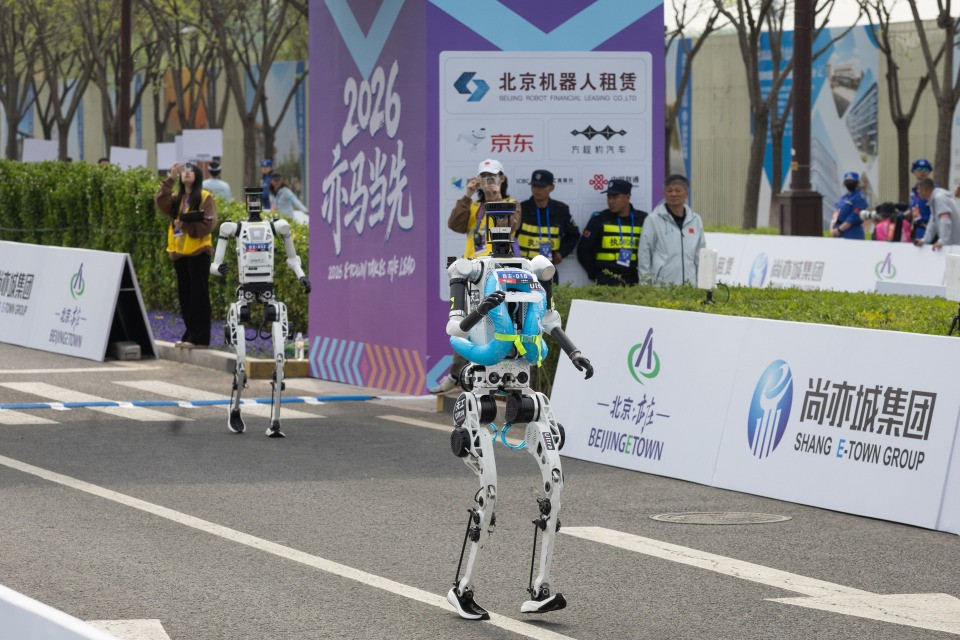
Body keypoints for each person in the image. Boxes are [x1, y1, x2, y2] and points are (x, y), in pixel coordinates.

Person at [442, 201, 592, 620]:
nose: (501, 229)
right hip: (482, 384)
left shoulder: (534, 270)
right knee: (489, 489)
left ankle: (541, 587)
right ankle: (462, 588)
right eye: (495, 221)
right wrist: (482, 309)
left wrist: (575, 353)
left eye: (506, 220)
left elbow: (548, 321)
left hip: (523, 381)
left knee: (555, 483)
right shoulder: (469, 270)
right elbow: (454, 327)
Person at [430, 158, 520, 395]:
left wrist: (496, 197)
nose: (488, 181)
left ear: (502, 178)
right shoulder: (473, 207)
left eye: (493, 177)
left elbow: (511, 226)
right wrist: (467, 194)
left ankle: (504, 378)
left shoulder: (511, 204)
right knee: (466, 322)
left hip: (500, 272)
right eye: (484, 177)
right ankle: (457, 376)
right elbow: (454, 224)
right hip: (473, 272)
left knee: (504, 322)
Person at [154, 162, 218, 349]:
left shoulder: (204, 197)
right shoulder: (177, 198)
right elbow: (161, 201)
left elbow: (209, 224)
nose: (187, 174)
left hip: (198, 252)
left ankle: (200, 337)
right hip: (180, 254)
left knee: (199, 296)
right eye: (184, 172)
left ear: (197, 176)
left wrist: (186, 226)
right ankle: (191, 333)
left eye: (191, 171)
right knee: (185, 296)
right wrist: (170, 178)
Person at [637, 174, 705, 286]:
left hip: (690, 286)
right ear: (664, 194)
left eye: (677, 190)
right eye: (669, 191)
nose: (673, 194)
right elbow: (644, 253)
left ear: (686, 194)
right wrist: (646, 284)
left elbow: (700, 255)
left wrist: (701, 284)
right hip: (662, 286)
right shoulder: (653, 219)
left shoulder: (695, 219)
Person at [576, 179, 646, 285]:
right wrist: (596, 274)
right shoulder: (599, 219)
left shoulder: (643, 219)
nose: (610, 201)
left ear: (627, 197)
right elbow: (583, 250)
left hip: (634, 280)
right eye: (609, 197)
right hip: (606, 280)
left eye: (615, 197)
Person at [516, 169, 580, 280]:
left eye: (542, 186)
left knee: (552, 292)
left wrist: (561, 252)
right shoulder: (521, 209)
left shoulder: (561, 210)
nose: (537, 190)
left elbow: (573, 235)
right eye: (534, 186)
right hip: (523, 268)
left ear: (552, 187)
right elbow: (511, 236)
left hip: (548, 269)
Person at [915, 178, 960, 250]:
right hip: (953, 244)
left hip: (955, 245)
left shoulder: (939, 198)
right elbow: (932, 223)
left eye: (919, 189)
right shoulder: (934, 200)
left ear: (925, 190)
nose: (918, 191)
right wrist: (924, 240)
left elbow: (945, 221)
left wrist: (942, 241)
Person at [830, 171, 868, 239]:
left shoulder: (859, 198)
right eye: (847, 181)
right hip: (838, 234)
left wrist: (839, 230)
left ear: (856, 183)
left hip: (852, 234)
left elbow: (852, 218)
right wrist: (831, 229)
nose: (849, 183)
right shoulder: (842, 198)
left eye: (851, 181)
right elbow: (835, 214)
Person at [910, 159, 934, 239]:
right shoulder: (914, 190)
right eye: (919, 169)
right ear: (914, 171)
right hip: (917, 229)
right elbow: (913, 207)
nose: (922, 172)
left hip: (930, 230)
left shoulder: (933, 189)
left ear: (929, 171)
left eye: (925, 169)